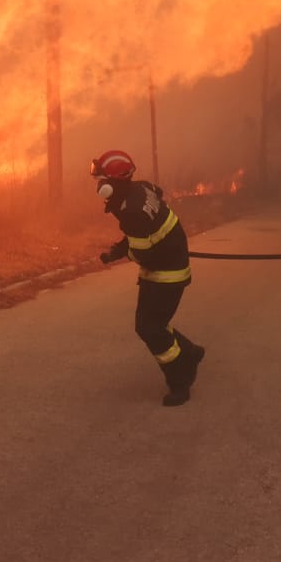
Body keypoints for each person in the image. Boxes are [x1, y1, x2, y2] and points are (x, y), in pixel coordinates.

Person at [94, 149, 206, 406]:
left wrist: (125, 252)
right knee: (154, 322)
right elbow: (153, 208)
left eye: (103, 181)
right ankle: (189, 351)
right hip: (169, 263)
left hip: (165, 274)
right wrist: (118, 251)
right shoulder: (140, 189)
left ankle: (181, 378)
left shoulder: (131, 211)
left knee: (149, 327)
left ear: (115, 182)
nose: (100, 186)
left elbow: (143, 252)